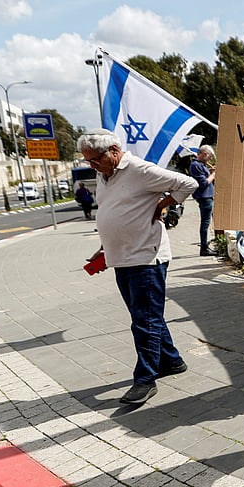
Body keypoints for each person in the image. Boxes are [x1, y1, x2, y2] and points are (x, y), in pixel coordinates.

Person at [79, 130, 198, 406]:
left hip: (146, 257)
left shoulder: (139, 169)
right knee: (144, 315)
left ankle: (145, 378)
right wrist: (106, 245)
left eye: (95, 160)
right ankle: (172, 360)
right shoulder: (103, 174)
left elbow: (188, 183)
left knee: (144, 320)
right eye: (88, 162)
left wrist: (163, 203)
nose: (92, 166)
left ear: (114, 150)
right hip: (120, 257)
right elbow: (113, 210)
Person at [189, 145, 216, 256]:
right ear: (204, 154)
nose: (210, 159)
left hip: (207, 197)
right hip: (205, 197)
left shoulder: (200, 165)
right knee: (205, 223)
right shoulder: (195, 165)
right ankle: (204, 248)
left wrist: (209, 171)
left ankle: (205, 247)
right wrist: (213, 175)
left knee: (206, 222)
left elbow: (203, 176)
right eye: (210, 157)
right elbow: (203, 183)